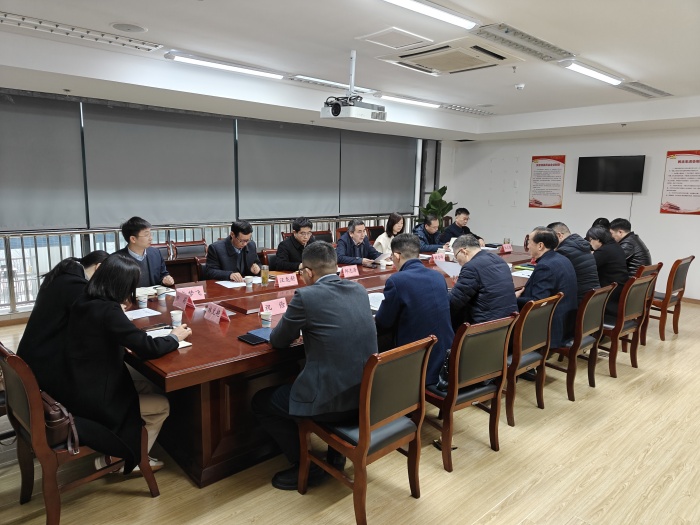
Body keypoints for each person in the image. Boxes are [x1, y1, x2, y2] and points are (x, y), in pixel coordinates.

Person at [251, 241, 377, 490]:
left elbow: (278, 340)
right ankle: (336, 456)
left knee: (261, 402)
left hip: (330, 402)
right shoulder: (359, 290)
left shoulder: (306, 296)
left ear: (308, 272)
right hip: (365, 395)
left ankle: (305, 466)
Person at [62, 253, 191, 474]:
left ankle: (127, 442)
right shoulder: (108, 311)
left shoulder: (84, 300)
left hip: (78, 384)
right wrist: (174, 337)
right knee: (161, 405)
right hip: (96, 397)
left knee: (148, 386)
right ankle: (123, 459)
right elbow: (147, 347)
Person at [16, 250, 109, 400]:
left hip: (34, 353)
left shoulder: (64, 276)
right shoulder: (76, 285)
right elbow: (93, 319)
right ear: (98, 267)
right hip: (45, 363)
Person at [374, 234, 454, 385]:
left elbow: (383, 322)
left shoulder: (397, 281)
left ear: (397, 256)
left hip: (420, 363)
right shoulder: (438, 276)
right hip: (446, 358)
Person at [515, 227, 578, 349]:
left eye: (529, 242)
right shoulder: (562, 258)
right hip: (566, 322)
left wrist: (515, 298)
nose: (527, 246)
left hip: (551, 327)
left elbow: (538, 302)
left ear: (540, 245)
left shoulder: (545, 266)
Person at [449, 235, 517, 330]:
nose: (458, 262)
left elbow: (453, 303)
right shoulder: (498, 259)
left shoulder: (471, 267)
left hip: (485, 329)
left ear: (463, 251)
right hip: (509, 324)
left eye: (456, 257)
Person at [547, 222, 600, 303]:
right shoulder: (583, 245)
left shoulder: (564, 251)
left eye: (550, 239)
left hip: (579, 300)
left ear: (559, 235)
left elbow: (552, 279)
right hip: (593, 297)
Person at [116, 216, 174, 287]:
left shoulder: (155, 254)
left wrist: (166, 279)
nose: (151, 238)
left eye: (150, 234)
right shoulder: (117, 260)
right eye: (146, 235)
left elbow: (163, 275)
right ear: (133, 239)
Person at [586, 225, 629, 318]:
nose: (590, 244)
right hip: (619, 289)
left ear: (597, 239)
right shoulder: (615, 246)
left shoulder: (604, 251)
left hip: (609, 296)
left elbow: (588, 267)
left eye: (590, 240)